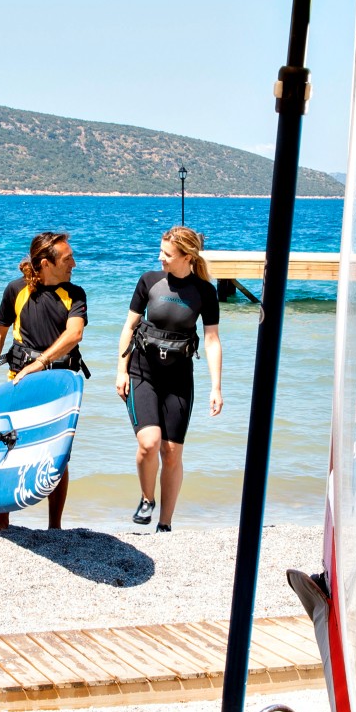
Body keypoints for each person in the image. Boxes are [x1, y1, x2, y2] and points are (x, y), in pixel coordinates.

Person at [0, 230, 87, 530]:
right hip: (20, 381)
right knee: (9, 448)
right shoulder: (16, 290)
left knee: (58, 454)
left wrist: (40, 362)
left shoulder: (75, 294)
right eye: (67, 258)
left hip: (59, 384)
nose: (74, 263)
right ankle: (2, 520)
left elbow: (74, 334)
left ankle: (54, 527)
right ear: (46, 263)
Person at [115, 225, 223, 533]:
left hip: (179, 377)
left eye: (167, 254)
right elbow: (129, 326)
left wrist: (216, 387)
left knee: (172, 452)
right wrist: (121, 370)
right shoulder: (149, 281)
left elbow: (212, 339)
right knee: (149, 443)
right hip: (142, 371)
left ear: (187, 257)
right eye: (161, 251)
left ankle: (165, 524)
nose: (160, 258)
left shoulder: (205, 292)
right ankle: (147, 499)